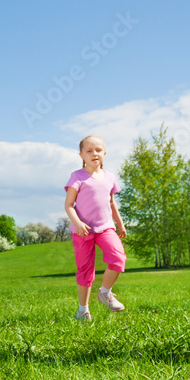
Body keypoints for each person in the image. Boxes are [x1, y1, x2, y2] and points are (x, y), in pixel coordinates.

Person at [64, 135, 128, 321]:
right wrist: (77, 223)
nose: (94, 154)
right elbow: (68, 205)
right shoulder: (77, 177)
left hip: (105, 228)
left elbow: (111, 203)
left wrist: (120, 223)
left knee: (118, 258)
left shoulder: (109, 177)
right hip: (83, 230)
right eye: (89, 151)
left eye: (98, 150)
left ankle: (105, 292)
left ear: (105, 153)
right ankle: (83, 310)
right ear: (81, 155)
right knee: (85, 271)